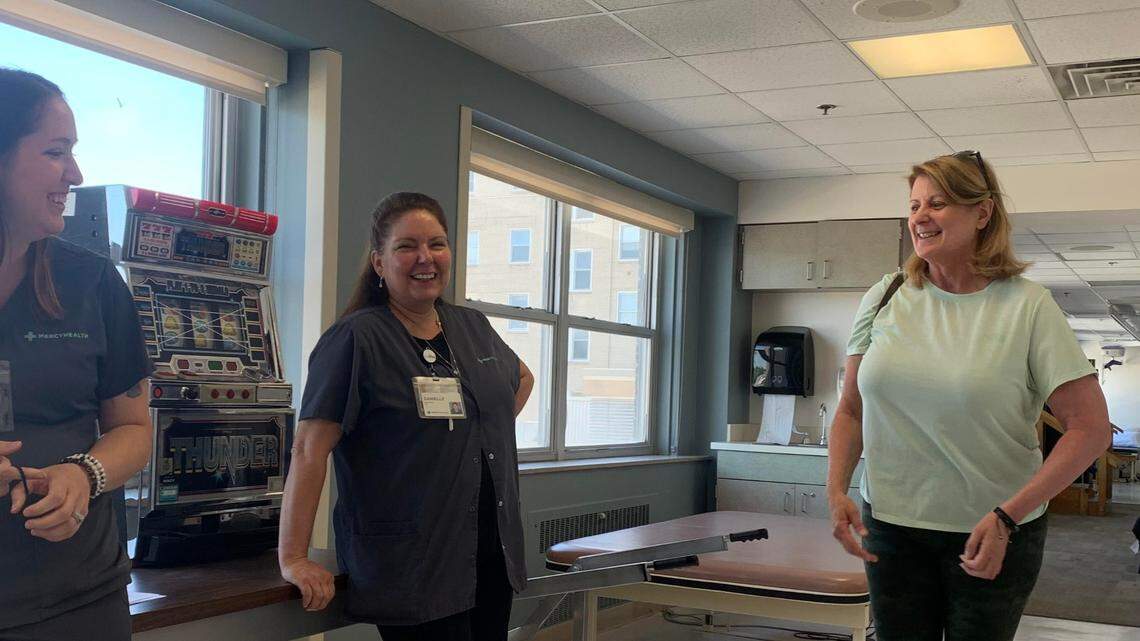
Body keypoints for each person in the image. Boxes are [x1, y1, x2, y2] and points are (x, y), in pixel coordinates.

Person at [826, 151, 1112, 641]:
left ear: (982, 213)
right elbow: (851, 409)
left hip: (991, 529)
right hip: (891, 525)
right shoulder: (885, 295)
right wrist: (836, 490)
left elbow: (1090, 430)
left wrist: (1009, 515)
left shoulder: (1027, 306)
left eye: (937, 203)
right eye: (914, 205)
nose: (919, 216)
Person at [279, 192, 535, 641]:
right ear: (379, 263)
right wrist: (294, 557)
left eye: (437, 243)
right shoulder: (356, 339)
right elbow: (308, 449)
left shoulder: (471, 326)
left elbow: (521, 380)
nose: (425, 258)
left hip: (487, 549)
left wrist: (473, 436)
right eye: (406, 246)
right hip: (413, 557)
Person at [0, 68, 153, 639]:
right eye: (55, 152)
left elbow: (133, 428)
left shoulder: (91, 283)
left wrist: (83, 474)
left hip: (79, 601)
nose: (76, 174)